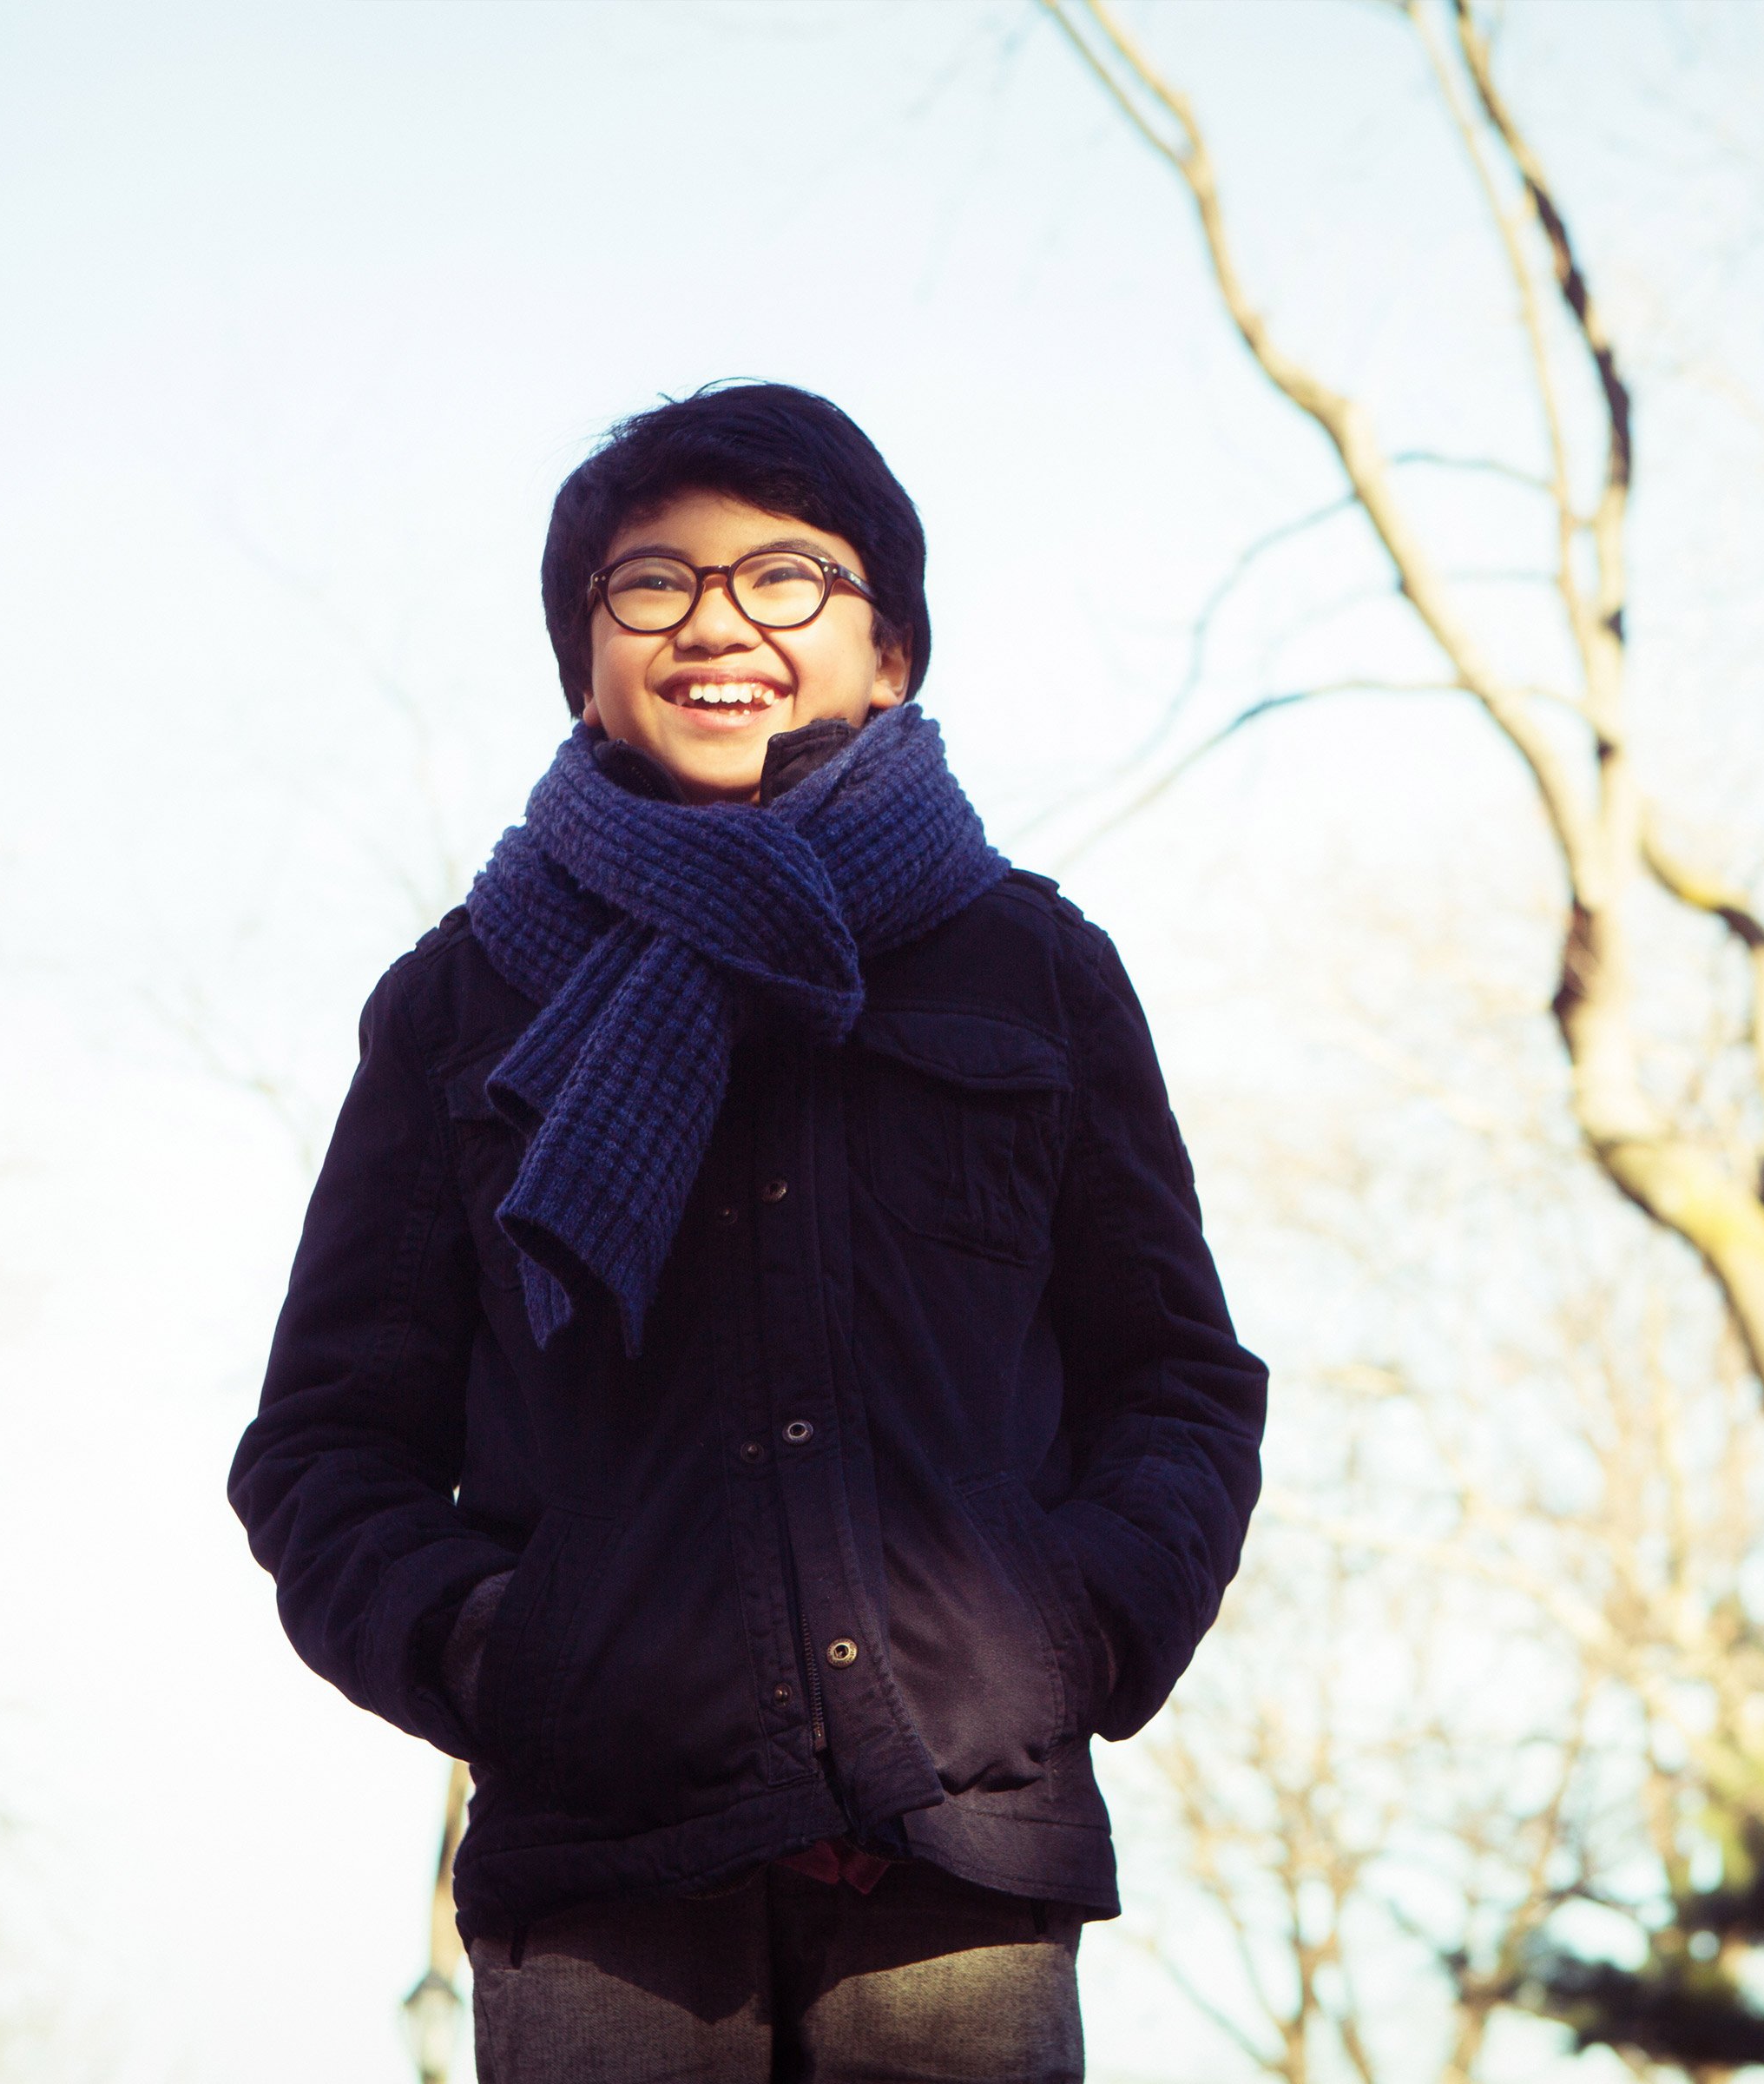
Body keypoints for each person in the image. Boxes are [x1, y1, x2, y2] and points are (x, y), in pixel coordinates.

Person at [228, 382, 1268, 2083]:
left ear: (892, 651)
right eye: (655, 584)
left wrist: (1063, 1631)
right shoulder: (458, 1003)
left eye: (787, 576)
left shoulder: (1033, 969)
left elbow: (1173, 1379)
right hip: (603, 1875)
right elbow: (326, 1443)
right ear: (587, 660)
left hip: (960, 1853)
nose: (720, 621)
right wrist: (508, 1656)